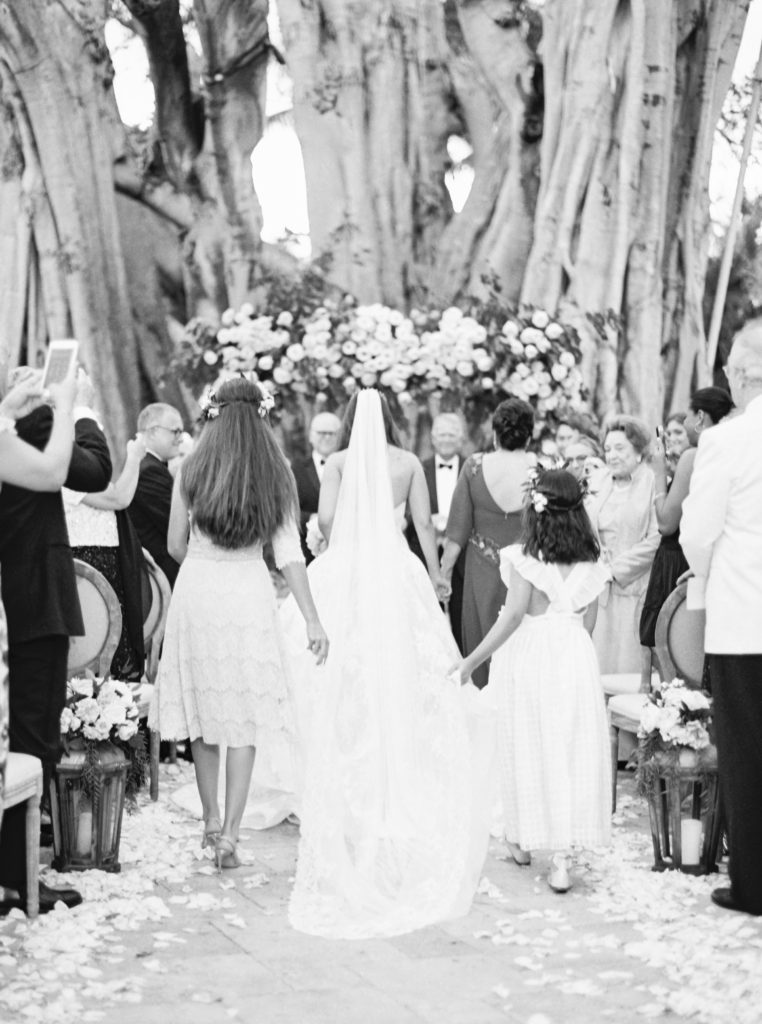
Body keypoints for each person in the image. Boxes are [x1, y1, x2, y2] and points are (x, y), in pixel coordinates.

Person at [286, 389, 491, 939]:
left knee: (343, 668)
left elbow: (327, 520)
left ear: (350, 421)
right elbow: (424, 526)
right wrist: (436, 575)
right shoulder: (407, 465)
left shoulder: (338, 462)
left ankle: (343, 753)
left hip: (348, 571)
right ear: (393, 421)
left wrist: (341, 540)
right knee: (402, 664)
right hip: (396, 572)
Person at [148, 377, 328, 872]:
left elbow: (175, 544)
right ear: (261, 415)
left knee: (205, 712)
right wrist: (313, 619)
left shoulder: (190, 467)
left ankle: (209, 822)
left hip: (199, 590)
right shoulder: (277, 473)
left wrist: (206, 563)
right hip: (249, 592)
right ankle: (230, 833)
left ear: (214, 413)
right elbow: (289, 554)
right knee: (243, 718)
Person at [456, 469, 611, 894]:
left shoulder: (525, 559)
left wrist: (471, 661)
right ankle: (561, 858)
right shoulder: (594, 562)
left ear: (537, 509)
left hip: (532, 658)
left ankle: (522, 838)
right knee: (570, 749)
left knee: (527, 744)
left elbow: (511, 618)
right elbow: (588, 623)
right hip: (576, 656)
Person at [0, 364, 112, 916]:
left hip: (19, 598)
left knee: (25, 733)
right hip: (32, 599)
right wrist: (73, 403)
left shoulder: (11, 427)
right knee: (33, 735)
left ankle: (16, 872)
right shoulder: (33, 427)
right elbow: (83, 472)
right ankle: (18, 878)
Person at [681, 321, 762, 916]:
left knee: (747, 752)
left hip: (745, 617)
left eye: (731, 368)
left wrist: (706, 577)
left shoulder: (728, 441)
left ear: (744, 375)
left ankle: (754, 884)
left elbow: (698, 533)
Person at [440, 398, 535, 688]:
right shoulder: (542, 469)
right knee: (524, 644)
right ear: (529, 436)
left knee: (481, 646)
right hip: (528, 574)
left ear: (495, 435)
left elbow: (456, 532)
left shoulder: (474, 466)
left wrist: (444, 575)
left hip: (483, 574)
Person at [62, 373, 147, 680]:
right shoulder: (65, 467)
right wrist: (134, 458)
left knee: (113, 646)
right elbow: (118, 498)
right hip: (87, 563)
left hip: (105, 560)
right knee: (95, 652)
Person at [640, 388, 733, 650]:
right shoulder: (727, 450)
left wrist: (659, 473)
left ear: (700, 417)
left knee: (671, 647)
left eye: (688, 418)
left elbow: (666, 523)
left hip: (678, 561)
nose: (686, 423)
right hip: (713, 558)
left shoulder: (694, 455)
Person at [588, 416, 659, 674]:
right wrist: (597, 562)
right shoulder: (598, 480)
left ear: (638, 450)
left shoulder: (652, 482)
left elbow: (657, 538)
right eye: (607, 449)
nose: (612, 455)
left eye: (620, 448)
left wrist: (615, 569)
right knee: (598, 663)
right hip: (597, 588)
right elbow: (584, 527)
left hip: (635, 586)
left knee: (628, 664)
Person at [406, 412, 466, 649]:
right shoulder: (419, 467)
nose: (446, 439)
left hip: (462, 555)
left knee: (462, 616)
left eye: (452, 434)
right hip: (425, 552)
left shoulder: (471, 468)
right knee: (428, 618)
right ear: (432, 438)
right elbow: (407, 509)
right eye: (442, 434)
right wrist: (427, 520)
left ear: (461, 438)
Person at [129, 403, 185, 588]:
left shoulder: (151, 466)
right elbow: (177, 524)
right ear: (152, 432)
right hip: (164, 578)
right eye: (175, 431)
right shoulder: (149, 471)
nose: (180, 438)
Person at [291, 411, 341, 563]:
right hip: (307, 554)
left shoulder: (350, 467)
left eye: (331, 433)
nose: (326, 437)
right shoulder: (296, 469)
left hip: (343, 550)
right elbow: (288, 510)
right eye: (321, 433)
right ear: (311, 436)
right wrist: (311, 519)